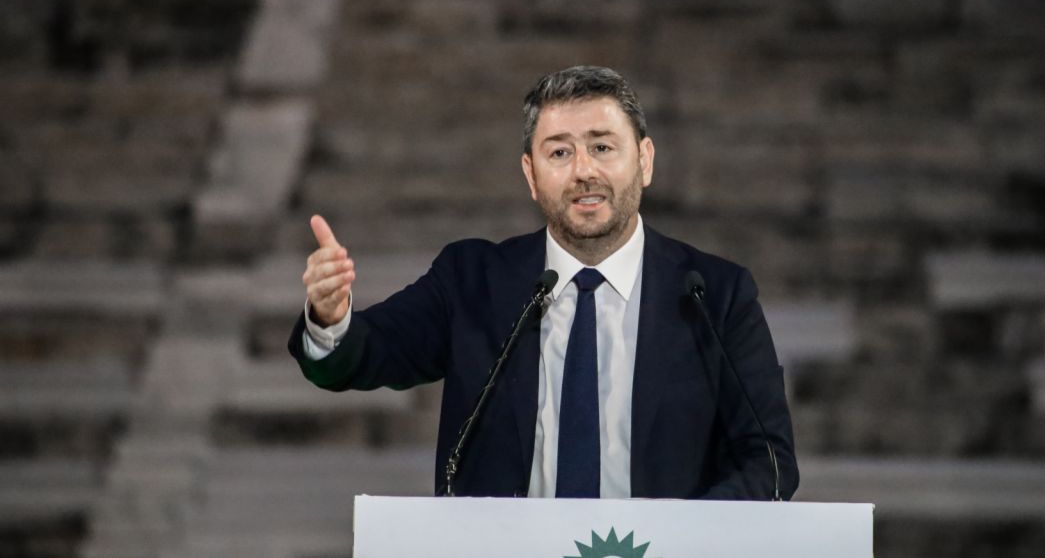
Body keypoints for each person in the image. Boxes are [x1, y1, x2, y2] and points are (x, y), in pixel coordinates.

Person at [289, 65, 799, 500]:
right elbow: (365, 354)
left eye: (603, 147)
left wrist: (677, 538)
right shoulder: (472, 281)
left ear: (644, 161)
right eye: (559, 153)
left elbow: (770, 462)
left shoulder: (715, 295)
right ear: (531, 176)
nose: (583, 171)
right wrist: (331, 317)